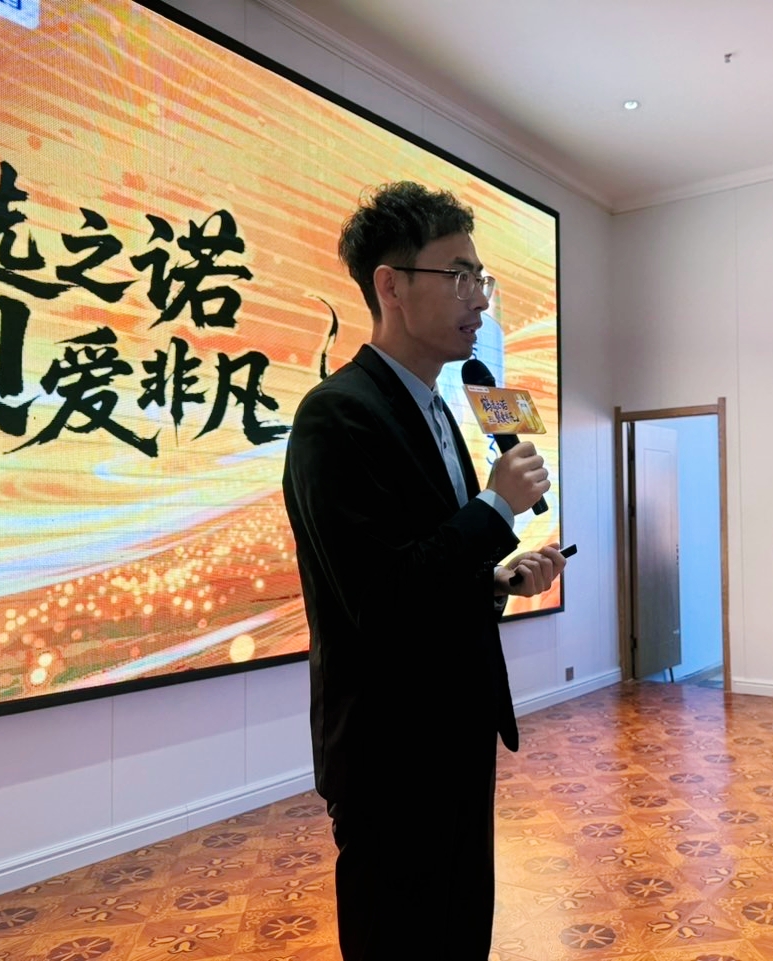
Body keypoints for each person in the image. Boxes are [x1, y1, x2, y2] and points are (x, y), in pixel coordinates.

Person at [281, 181, 567, 961]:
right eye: (459, 274)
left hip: (457, 737)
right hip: (391, 758)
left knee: (461, 936)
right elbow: (379, 600)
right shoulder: (337, 416)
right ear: (391, 286)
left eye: (482, 277)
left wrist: (501, 579)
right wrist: (496, 508)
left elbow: (430, 567)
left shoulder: (442, 409)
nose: (479, 297)